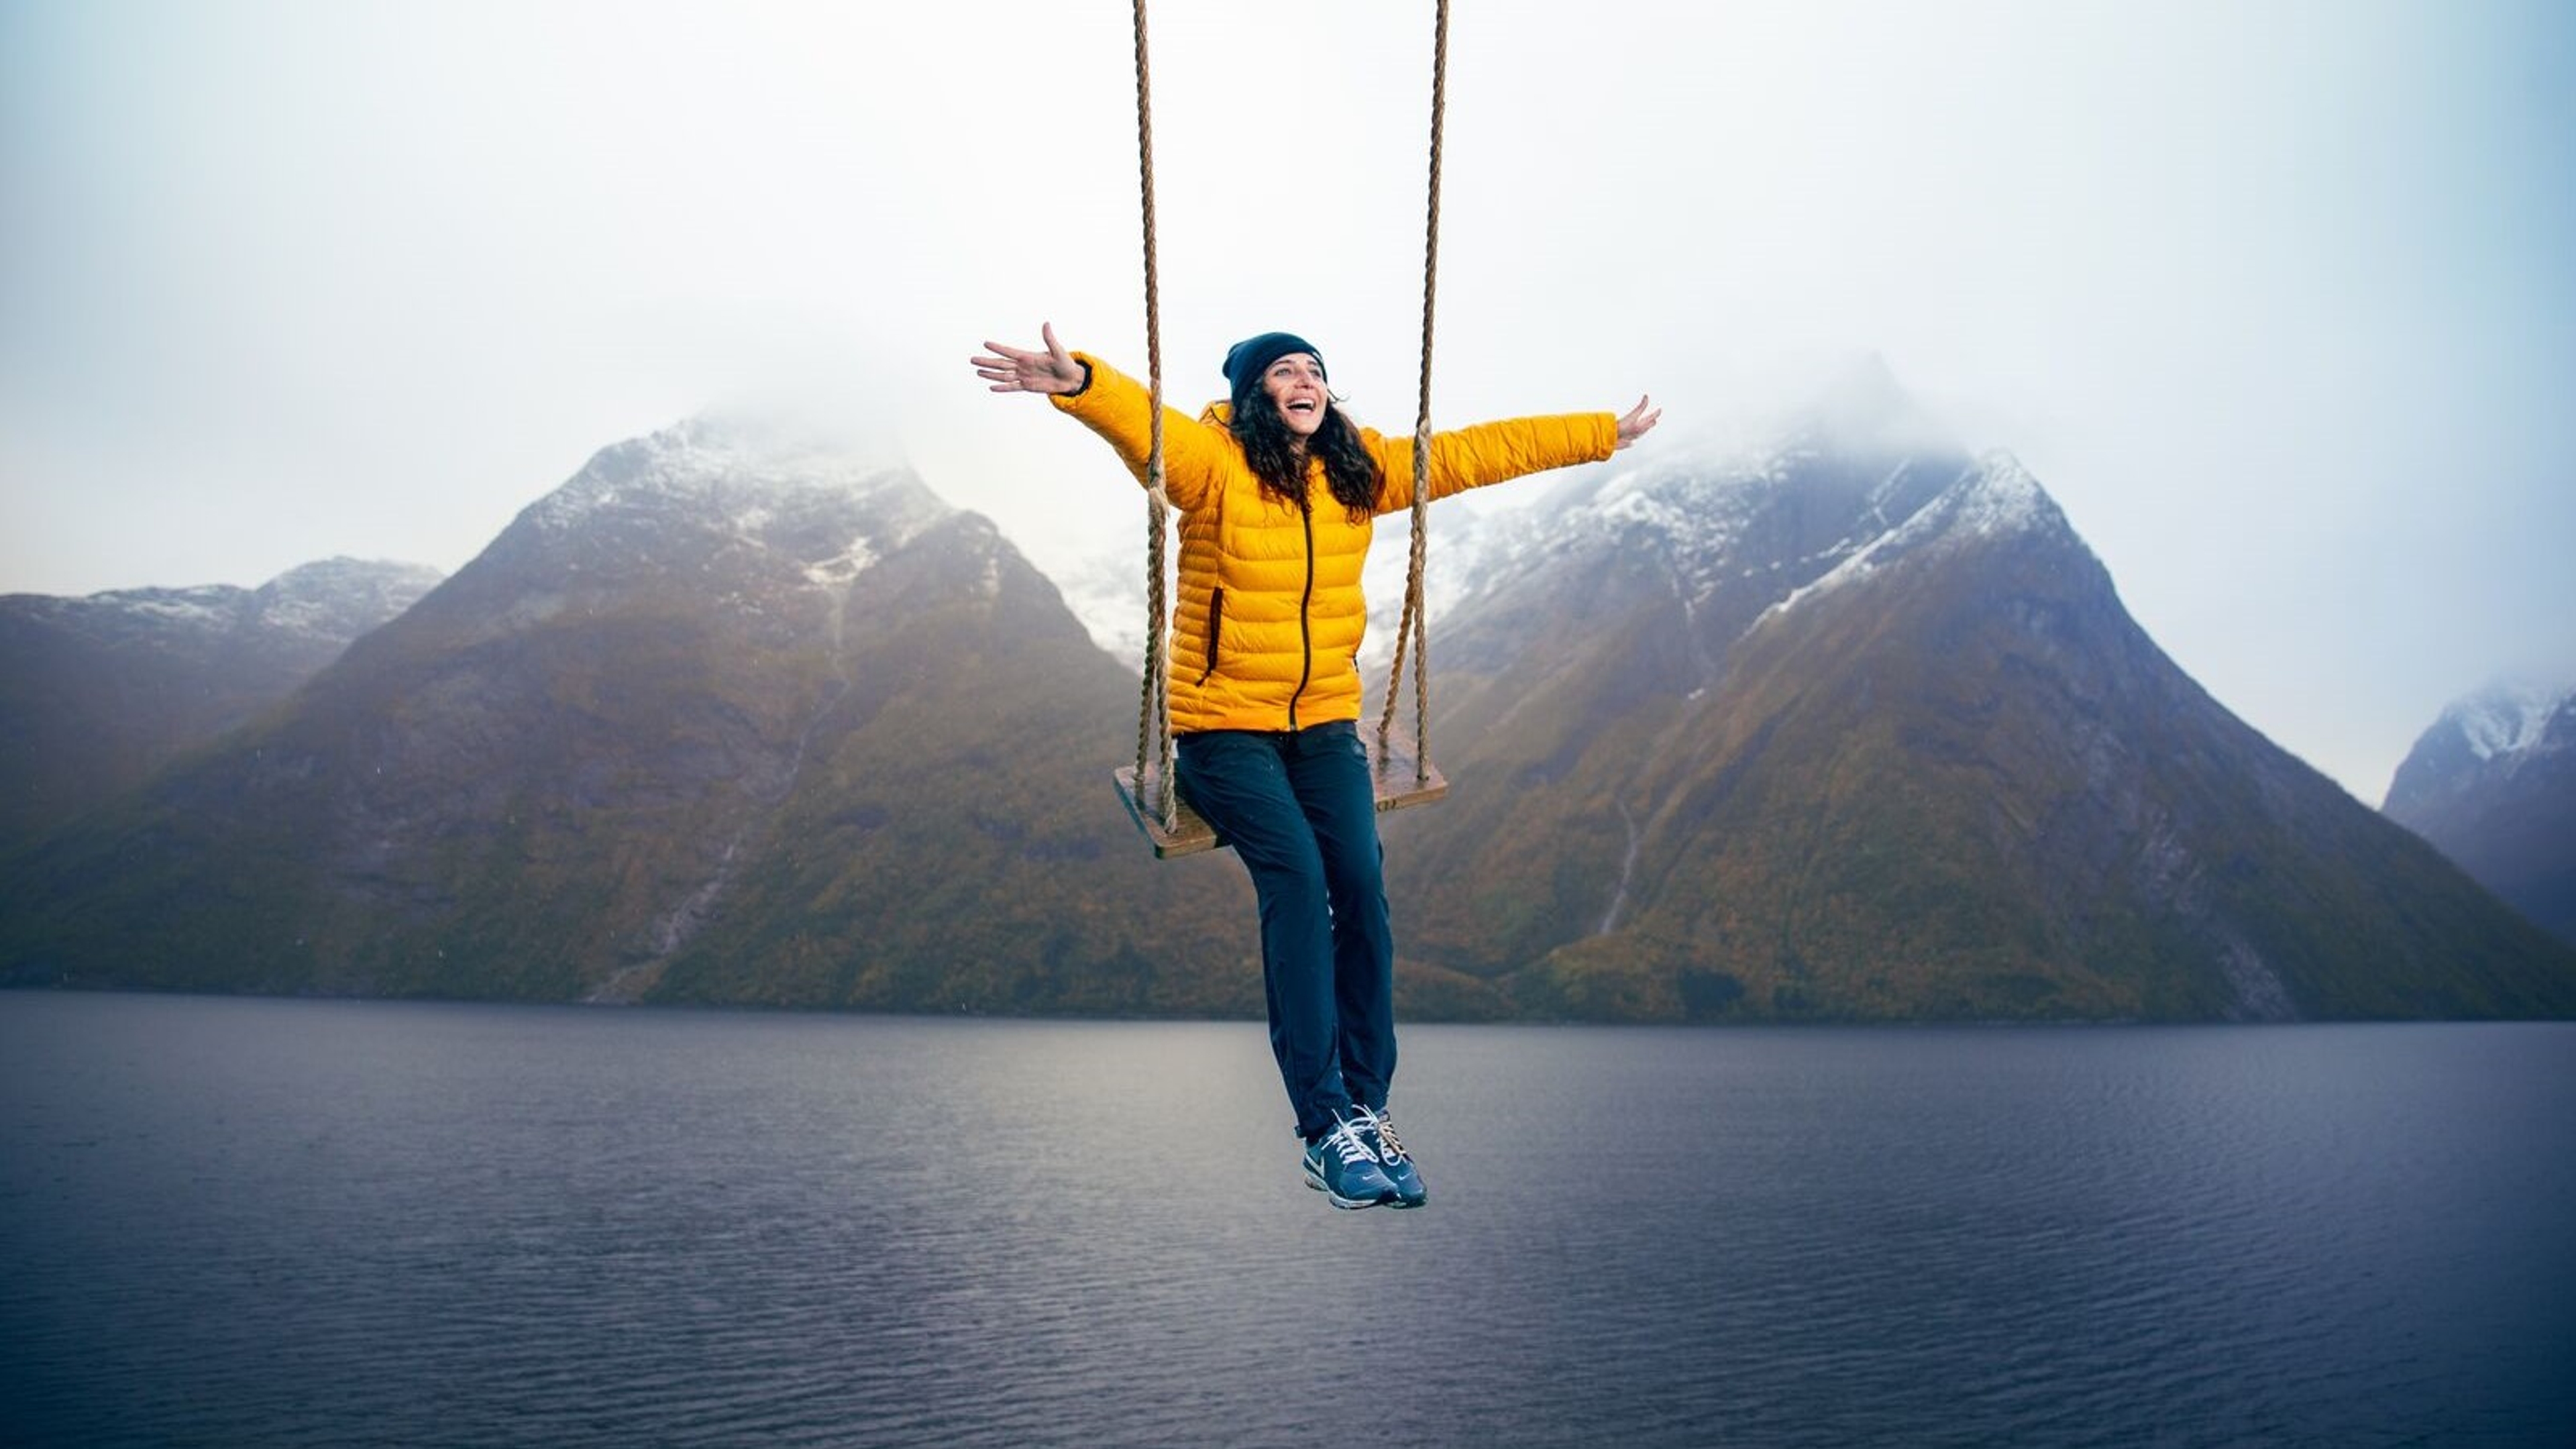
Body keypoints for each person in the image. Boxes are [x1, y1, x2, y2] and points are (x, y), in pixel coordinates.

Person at [972, 323, 1660, 1210]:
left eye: (1315, 371)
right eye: (1284, 371)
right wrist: (1084, 385)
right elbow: (1150, 429)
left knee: (1362, 886)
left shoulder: (1357, 472)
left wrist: (1600, 432)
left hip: (1325, 722)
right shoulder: (1212, 465)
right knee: (1297, 879)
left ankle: (1369, 1105)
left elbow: (1477, 452)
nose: (1305, 381)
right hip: (1223, 730)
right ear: (1254, 394)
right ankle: (1325, 1125)